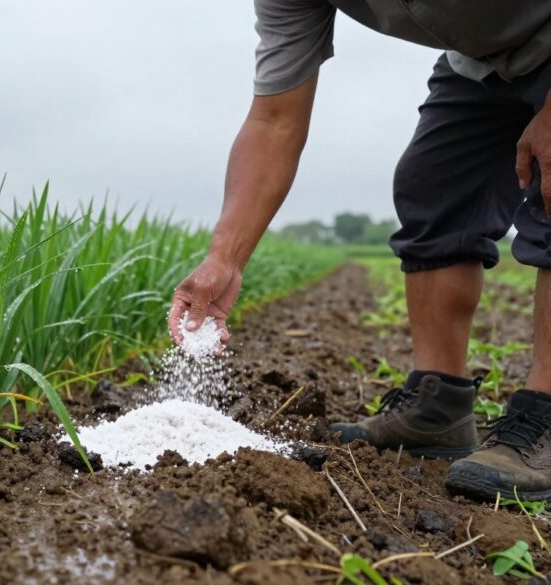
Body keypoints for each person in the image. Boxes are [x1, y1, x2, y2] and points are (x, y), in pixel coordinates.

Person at [168, 1, 551, 502]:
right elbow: (274, 120)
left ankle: (545, 414)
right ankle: (438, 410)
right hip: (481, 62)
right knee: (434, 185)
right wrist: (225, 257)